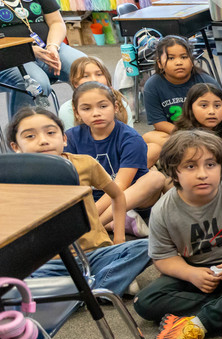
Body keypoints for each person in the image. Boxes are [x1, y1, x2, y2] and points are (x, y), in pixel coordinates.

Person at [134, 130, 222, 339]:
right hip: (200, 273)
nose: (203, 174)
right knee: (144, 302)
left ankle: (197, 325)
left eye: (210, 164)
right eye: (190, 167)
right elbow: (163, 257)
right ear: (174, 172)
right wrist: (193, 274)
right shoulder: (163, 210)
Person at [8, 107, 151, 297]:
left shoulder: (85, 164)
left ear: (64, 138)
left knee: (150, 245)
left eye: (51, 133)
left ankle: (79, 291)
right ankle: (100, 287)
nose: (43, 140)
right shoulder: (12, 176)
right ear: (15, 147)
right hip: (50, 262)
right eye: (30, 136)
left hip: (97, 252)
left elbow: (117, 195)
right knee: (17, 280)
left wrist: (118, 240)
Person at [66, 81, 165, 237]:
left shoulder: (130, 138)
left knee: (156, 178)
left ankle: (95, 226)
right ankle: (113, 222)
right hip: (93, 200)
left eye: (103, 106)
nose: (96, 113)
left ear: (116, 107)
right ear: (76, 112)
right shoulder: (70, 137)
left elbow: (119, 186)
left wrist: (89, 218)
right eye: (86, 108)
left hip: (131, 197)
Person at [0, 0, 86, 117]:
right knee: (36, 83)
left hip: (47, 46)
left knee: (87, 69)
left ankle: (91, 132)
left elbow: (56, 21)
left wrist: (53, 47)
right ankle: (21, 139)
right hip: (8, 55)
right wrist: (26, 50)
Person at [141, 35, 216, 155]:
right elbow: (159, 123)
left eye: (184, 57)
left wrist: (199, 134)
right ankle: (193, 152)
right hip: (175, 133)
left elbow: (220, 114)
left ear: (192, 61)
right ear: (159, 63)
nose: (179, 62)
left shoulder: (206, 81)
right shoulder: (152, 86)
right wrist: (185, 135)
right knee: (148, 137)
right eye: (171, 58)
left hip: (206, 131)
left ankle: (185, 154)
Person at [59, 56, 133, 130]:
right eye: (86, 76)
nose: (94, 79)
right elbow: (70, 140)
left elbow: (131, 137)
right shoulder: (67, 110)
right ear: (75, 83)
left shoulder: (122, 105)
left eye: (99, 74)